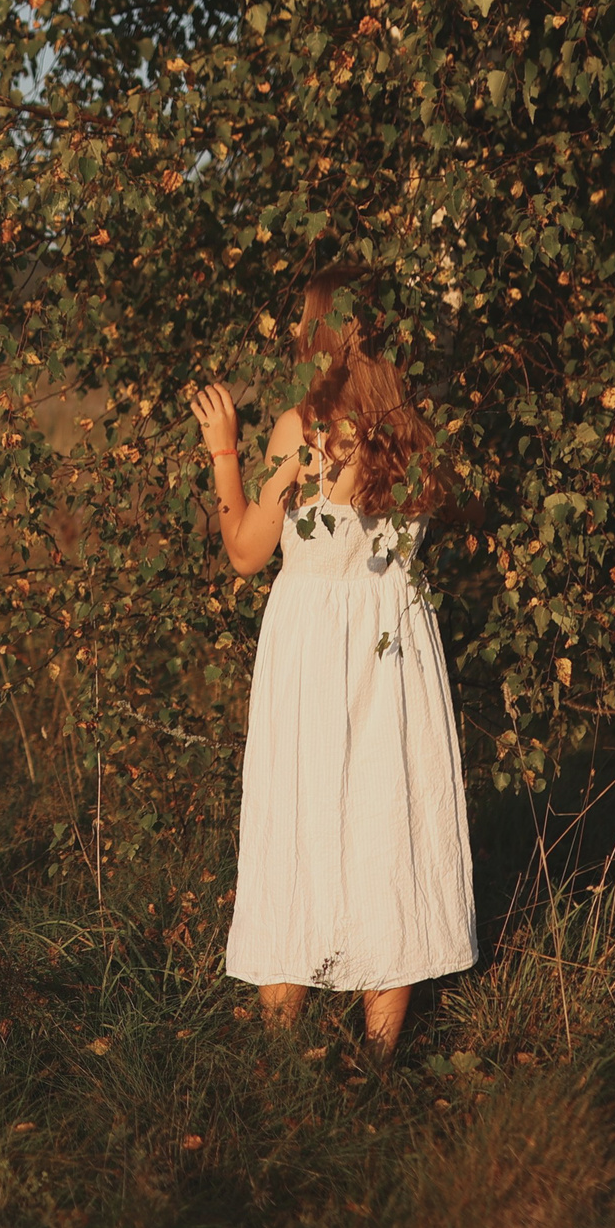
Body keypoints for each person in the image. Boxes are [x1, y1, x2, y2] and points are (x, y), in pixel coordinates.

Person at [192, 272, 477, 1059]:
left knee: (298, 822)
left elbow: (246, 552)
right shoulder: (413, 432)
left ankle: (282, 1057)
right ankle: (380, 1053)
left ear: (318, 335)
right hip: (395, 648)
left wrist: (227, 453)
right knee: (387, 824)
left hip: (313, 651)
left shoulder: (303, 430)